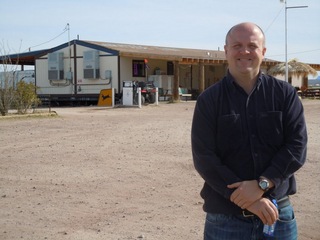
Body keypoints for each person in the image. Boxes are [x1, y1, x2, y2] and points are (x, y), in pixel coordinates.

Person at [191, 22, 307, 240]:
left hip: (277, 216)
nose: (244, 51)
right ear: (226, 51)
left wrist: (264, 184)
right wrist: (248, 198)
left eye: (252, 46)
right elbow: (204, 157)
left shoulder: (285, 95)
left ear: (263, 52)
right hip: (225, 220)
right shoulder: (209, 100)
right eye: (237, 45)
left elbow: (297, 147)